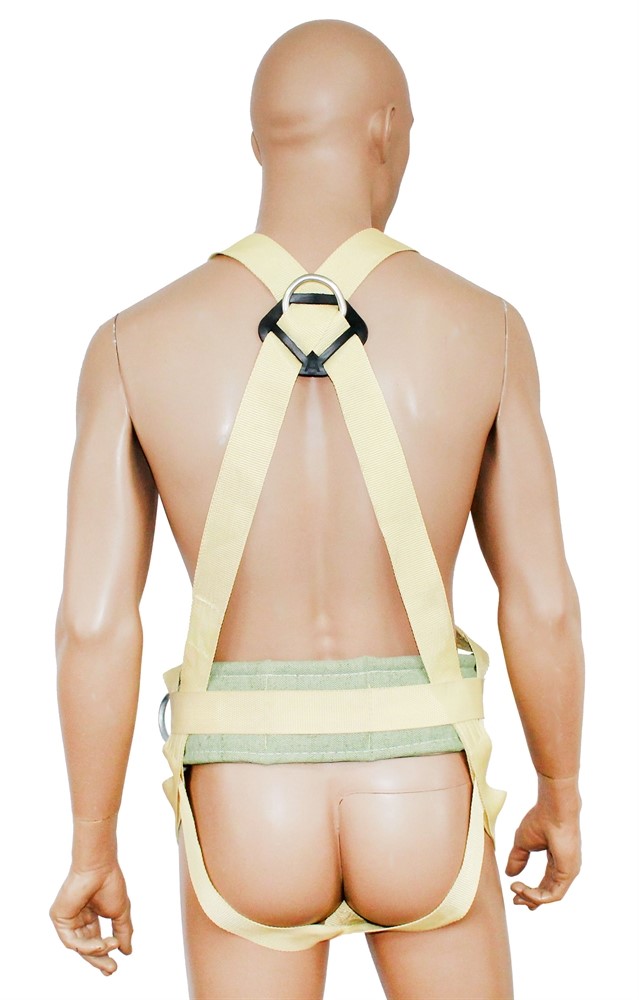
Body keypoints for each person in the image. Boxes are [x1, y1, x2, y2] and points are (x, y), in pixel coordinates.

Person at [49, 18, 584, 1000]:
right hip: (421, 790)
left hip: (245, 804)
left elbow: (92, 626)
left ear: (261, 141)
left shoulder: (131, 343)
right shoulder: (487, 330)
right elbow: (542, 602)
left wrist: (92, 842)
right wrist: (560, 791)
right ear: (384, 129)